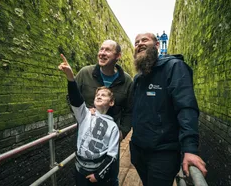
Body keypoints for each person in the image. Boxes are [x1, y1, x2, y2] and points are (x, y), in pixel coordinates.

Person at [130, 33, 207, 186]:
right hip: (139, 151)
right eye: (136, 42)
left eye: (145, 40)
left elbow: (186, 107)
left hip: (163, 153)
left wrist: (190, 149)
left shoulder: (174, 67)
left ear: (157, 45)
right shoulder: (138, 78)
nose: (139, 44)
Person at [74, 40, 133, 186]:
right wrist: (84, 112)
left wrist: (123, 132)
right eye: (101, 49)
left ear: (118, 56)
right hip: (87, 135)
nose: (102, 53)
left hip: (111, 136)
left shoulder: (126, 81)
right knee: (83, 171)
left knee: (111, 174)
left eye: (107, 50)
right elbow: (72, 97)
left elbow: (130, 110)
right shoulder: (84, 73)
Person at [58, 54, 120, 186]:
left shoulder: (113, 126)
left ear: (112, 102)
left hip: (98, 173)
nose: (99, 96)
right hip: (79, 170)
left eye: (103, 95)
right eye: (97, 95)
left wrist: (98, 175)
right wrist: (70, 77)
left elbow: (112, 155)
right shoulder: (85, 115)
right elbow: (76, 99)